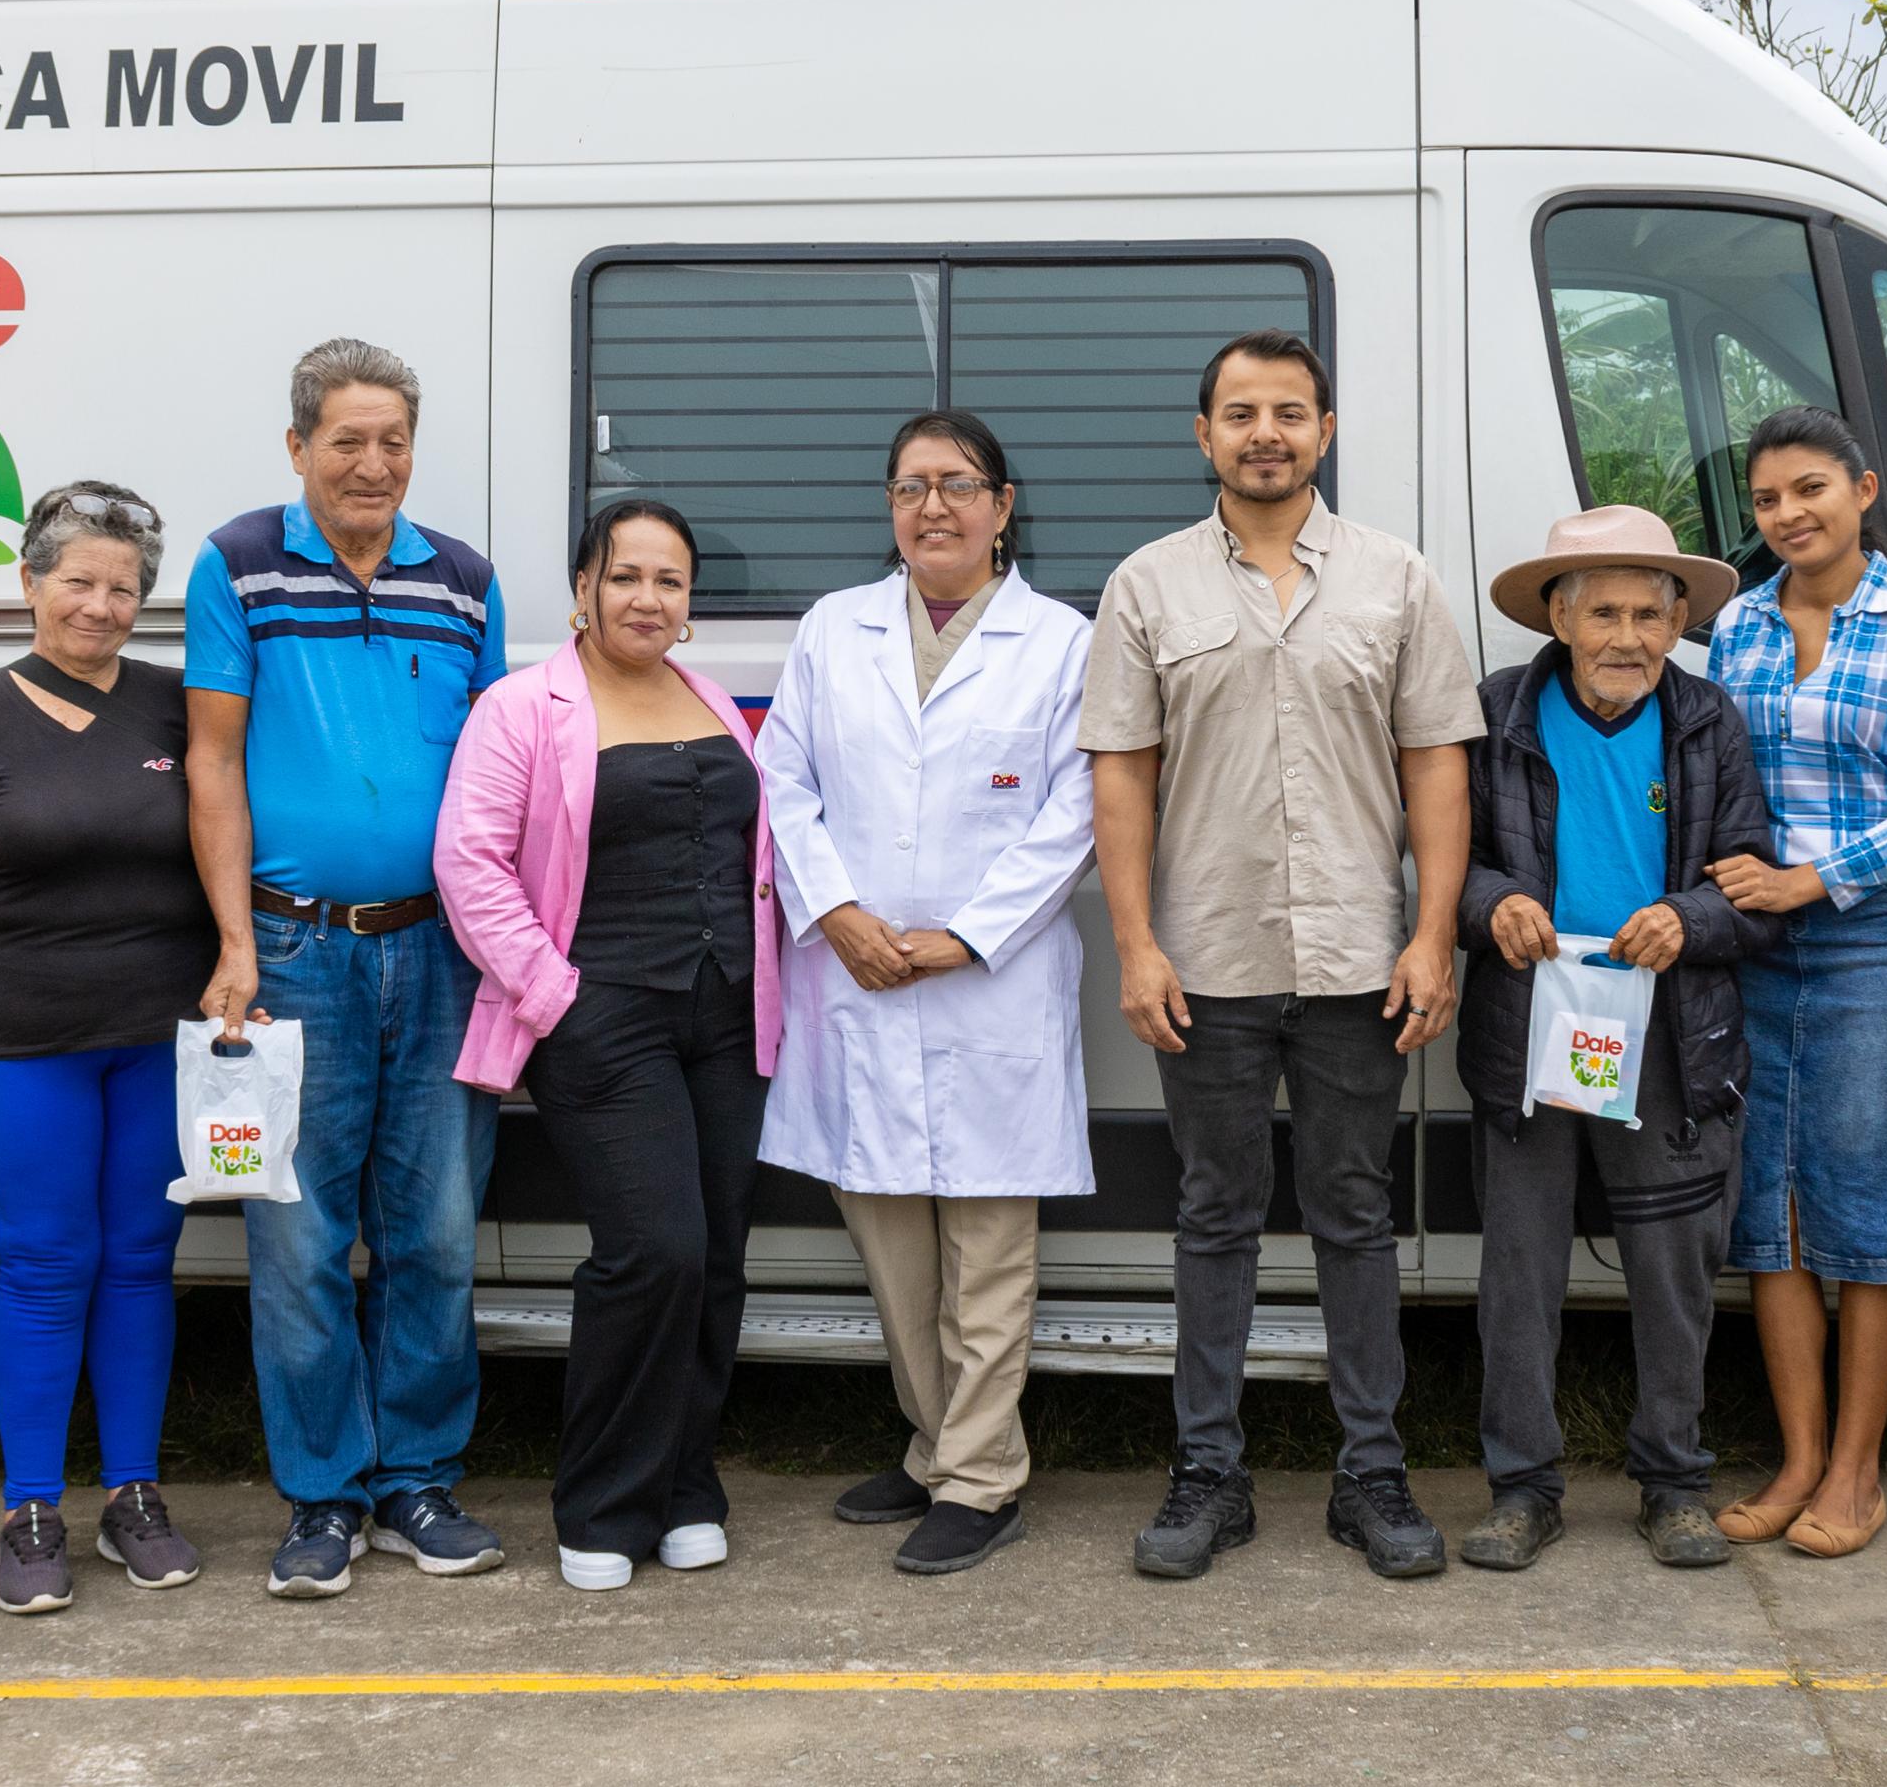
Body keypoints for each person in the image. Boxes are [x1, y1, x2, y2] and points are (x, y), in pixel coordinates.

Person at [1079, 329, 1484, 1582]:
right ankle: (1208, 1473)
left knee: (1355, 1214)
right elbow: (1120, 776)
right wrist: (1135, 945)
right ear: (1202, 433)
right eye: (1242, 413)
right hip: (1204, 960)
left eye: (1289, 412)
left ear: (1324, 431)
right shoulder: (1145, 585)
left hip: (1360, 959)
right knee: (1213, 1216)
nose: (1266, 433)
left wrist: (1430, 933)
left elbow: (1435, 764)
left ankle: (1371, 1473)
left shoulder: (1394, 577)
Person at [188, 340, 512, 1600]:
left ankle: (416, 1479)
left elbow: (498, 774)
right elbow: (213, 763)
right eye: (346, 441)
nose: (372, 464)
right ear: (297, 448)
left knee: (434, 1233)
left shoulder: (464, 582)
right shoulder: (238, 564)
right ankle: (322, 1494)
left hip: (439, 950)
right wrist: (233, 943)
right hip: (290, 951)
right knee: (298, 1240)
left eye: (393, 441)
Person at [758, 412, 1099, 1577]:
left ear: (1001, 507)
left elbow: (1075, 810)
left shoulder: (1059, 643)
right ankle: (933, 1444)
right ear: (889, 508)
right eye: (910, 486)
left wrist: (967, 934)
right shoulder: (833, 628)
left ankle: (981, 1478)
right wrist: (836, 912)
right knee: (894, 1256)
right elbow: (783, 780)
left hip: (989, 987)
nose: (933, 506)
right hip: (855, 974)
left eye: (957, 484)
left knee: (988, 1261)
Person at [433, 497, 784, 1593]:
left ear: (690, 602)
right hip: (601, 1018)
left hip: (725, 1016)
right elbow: (469, 863)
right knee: (652, 1249)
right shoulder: (521, 706)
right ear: (582, 588)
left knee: (715, 1254)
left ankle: (685, 1487)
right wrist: (556, 994)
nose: (646, 598)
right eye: (624, 575)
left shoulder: (706, 696)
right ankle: (601, 1502)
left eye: (668, 580)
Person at [0, 481, 214, 1613]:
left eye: (123, 588)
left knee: (141, 1258)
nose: (100, 606)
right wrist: (22, 949)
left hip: (158, 1034)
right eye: (78, 581)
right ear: (30, 584)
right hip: (29, 1038)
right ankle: (29, 1508)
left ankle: (132, 1495)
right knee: (42, 1260)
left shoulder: (175, 706)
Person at [1455, 509, 1774, 1573]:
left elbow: (1753, 887)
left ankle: (1674, 1482)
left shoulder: (1708, 722)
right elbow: (1444, 861)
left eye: (1648, 614)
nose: (1626, 637)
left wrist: (1688, 918)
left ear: (1678, 623)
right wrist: (1492, 903)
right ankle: (1521, 1488)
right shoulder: (1495, 713)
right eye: (1603, 613)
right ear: (1559, 616)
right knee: (1518, 1268)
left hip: (1670, 1035)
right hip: (1528, 1030)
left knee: (1672, 1268)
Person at [1700, 406, 1887, 1560]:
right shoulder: (1737, 624)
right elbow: (1715, 772)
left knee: (1864, 1194)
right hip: (1752, 934)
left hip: (1873, 931)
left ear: (1861, 490)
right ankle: (1798, 1458)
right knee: (1769, 1205)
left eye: (1807, 488)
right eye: (1765, 499)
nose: (1786, 514)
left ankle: (1857, 1471)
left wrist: (1808, 880)